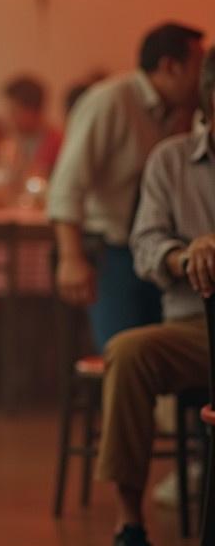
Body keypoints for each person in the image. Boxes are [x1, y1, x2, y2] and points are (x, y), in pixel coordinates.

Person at [95, 45, 215, 546]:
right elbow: (145, 247)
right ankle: (130, 528)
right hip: (195, 326)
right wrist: (185, 255)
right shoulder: (171, 160)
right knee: (128, 350)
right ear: (207, 104)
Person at [48, 22, 204, 351]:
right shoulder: (111, 100)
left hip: (155, 249)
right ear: (169, 66)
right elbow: (67, 184)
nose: (203, 77)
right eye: (198, 65)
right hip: (112, 252)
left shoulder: (179, 113)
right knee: (124, 353)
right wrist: (71, 258)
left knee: (162, 354)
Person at [2, 74, 62, 184]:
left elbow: (37, 180)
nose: (9, 117)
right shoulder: (19, 138)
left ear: (32, 111)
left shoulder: (55, 141)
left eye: (14, 111)